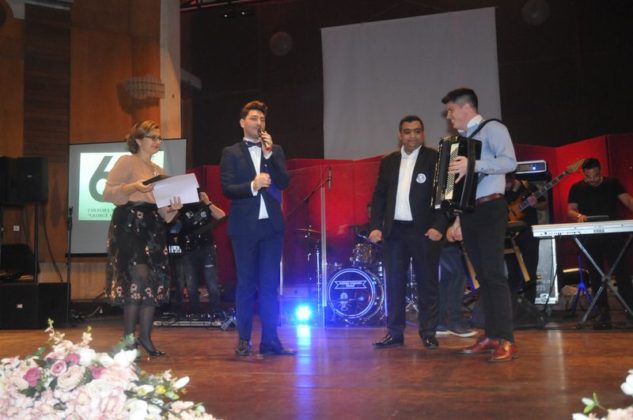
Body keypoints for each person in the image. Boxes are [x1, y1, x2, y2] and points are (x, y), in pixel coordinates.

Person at [443, 88, 518, 362]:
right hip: (470, 212)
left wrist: (473, 164)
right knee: (482, 277)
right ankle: (492, 335)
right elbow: (464, 187)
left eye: (451, 110)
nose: (449, 116)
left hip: (491, 208)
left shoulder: (493, 128)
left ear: (466, 107)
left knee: (494, 274)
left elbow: (510, 162)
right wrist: (457, 219)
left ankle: (507, 339)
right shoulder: (460, 142)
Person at [220, 100, 293, 356]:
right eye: (254, 118)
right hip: (244, 228)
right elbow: (227, 188)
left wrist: (270, 155)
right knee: (246, 285)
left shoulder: (275, 150)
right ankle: (243, 340)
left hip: (272, 228)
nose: (259, 123)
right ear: (242, 122)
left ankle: (270, 341)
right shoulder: (231, 152)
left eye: (262, 119)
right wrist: (253, 184)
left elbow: (284, 182)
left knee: (270, 285)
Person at [104, 120, 183, 357]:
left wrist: (175, 207)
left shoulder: (158, 171)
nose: (158, 142)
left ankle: (145, 337)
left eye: (159, 138)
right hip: (130, 224)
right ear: (138, 140)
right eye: (153, 137)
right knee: (137, 277)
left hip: (153, 227)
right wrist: (133, 187)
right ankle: (128, 339)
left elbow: (165, 215)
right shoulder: (126, 161)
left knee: (153, 280)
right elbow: (107, 193)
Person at [368, 115, 446, 350]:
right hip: (394, 232)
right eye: (407, 131)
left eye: (417, 131)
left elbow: (445, 195)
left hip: (424, 231)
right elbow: (379, 196)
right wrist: (375, 226)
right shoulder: (388, 161)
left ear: (423, 133)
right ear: (400, 135)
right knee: (394, 283)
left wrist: (439, 225)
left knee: (427, 283)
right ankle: (394, 333)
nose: (412, 136)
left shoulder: (435, 158)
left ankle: (429, 332)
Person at [567, 157, 633, 327]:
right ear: (583, 174)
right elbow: (571, 210)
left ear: (600, 171)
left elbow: (628, 201)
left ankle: (630, 308)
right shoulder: (577, 188)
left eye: (595, 176)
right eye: (588, 177)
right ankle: (603, 311)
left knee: (622, 271)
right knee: (595, 274)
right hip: (590, 235)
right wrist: (579, 216)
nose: (592, 180)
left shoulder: (612, 183)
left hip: (613, 234)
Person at [169, 191, 226, 321]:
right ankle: (196, 312)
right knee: (191, 284)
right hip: (189, 249)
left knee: (212, 282)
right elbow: (170, 221)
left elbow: (222, 216)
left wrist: (208, 202)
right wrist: (176, 209)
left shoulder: (205, 205)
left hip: (207, 248)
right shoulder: (182, 207)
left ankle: (215, 311)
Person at [504, 172, 547, 303]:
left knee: (530, 270)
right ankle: (512, 305)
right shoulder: (498, 190)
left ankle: (530, 305)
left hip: (528, 232)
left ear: (513, 179)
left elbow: (544, 204)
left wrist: (535, 205)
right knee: (512, 272)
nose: (505, 187)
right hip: (508, 235)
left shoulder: (528, 187)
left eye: (507, 183)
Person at [437, 240, 477, 338]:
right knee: (459, 274)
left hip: (445, 241)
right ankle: (453, 321)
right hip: (444, 239)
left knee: (448, 277)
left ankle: (440, 322)